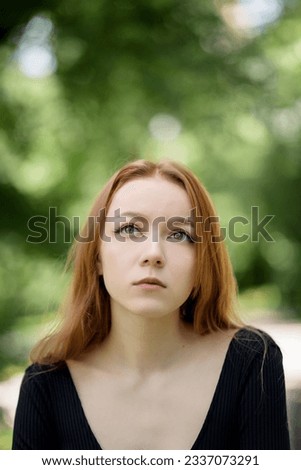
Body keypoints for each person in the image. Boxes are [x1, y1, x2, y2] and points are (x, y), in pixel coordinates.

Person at [12, 159, 290, 450]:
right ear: (97, 257)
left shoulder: (251, 363)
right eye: (130, 229)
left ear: (202, 267)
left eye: (180, 234)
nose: (153, 253)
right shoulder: (47, 383)